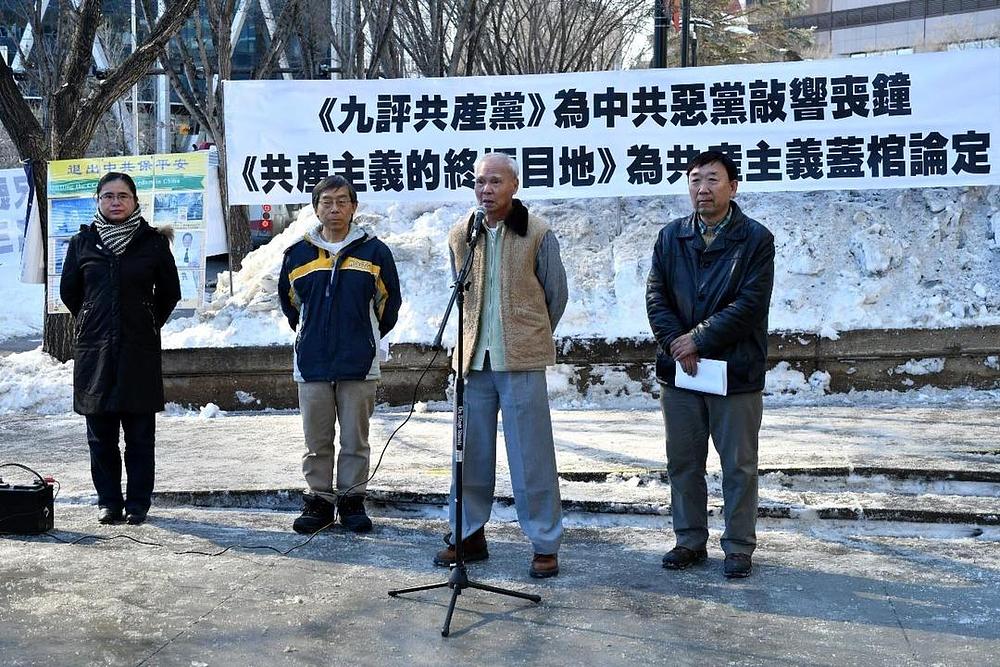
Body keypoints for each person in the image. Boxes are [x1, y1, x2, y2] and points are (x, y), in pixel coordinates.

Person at [433, 153, 568, 579]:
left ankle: (544, 542)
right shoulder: (462, 234)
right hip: (472, 359)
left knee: (531, 456)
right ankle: (467, 533)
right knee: (468, 453)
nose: (486, 190)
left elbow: (555, 296)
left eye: (495, 182)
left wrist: (528, 332)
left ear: (514, 186)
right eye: (479, 182)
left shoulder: (538, 233)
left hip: (521, 359)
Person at [646, 151, 775, 578]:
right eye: (695, 180)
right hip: (681, 373)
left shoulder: (755, 240)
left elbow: (749, 305)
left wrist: (697, 338)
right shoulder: (670, 237)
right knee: (683, 461)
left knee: (738, 465)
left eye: (713, 180)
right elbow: (656, 297)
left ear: (733, 187)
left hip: (734, 373)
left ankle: (738, 546)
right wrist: (676, 344)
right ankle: (689, 540)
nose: (702, 188)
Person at [278, 175, 401, 534]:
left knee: (355, 438)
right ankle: (319, 500)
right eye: (327, 202)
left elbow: (388, 304)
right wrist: (314, 334)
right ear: (315, 208)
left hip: (358, 362)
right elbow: (291, 306)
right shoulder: (297, 254)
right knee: (316, 439)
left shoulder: (374, 252)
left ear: (354, 207)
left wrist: (363, 334)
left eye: (342, 201)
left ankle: (351, 501)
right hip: (313, 362)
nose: (334, 209)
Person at [59, 172, 181, 526]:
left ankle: (138, 503)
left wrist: (146, 321)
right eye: (109, 196)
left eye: (123, 196)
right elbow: (71, 293)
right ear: (98, 201)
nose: (116, 202)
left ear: (134, 201)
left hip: (138, 351)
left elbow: (169, 293)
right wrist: (94, 319)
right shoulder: (82, 243)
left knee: (140, 436)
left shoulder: (153, 242)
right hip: (94, 352)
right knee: (101, 437)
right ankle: (108, 502)